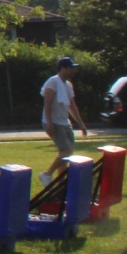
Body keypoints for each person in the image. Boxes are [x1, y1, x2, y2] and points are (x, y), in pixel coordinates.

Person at [39, 56, 86, 185]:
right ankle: (46, 174)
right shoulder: (52, 82)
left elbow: (72, 106)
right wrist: (49, 123)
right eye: (71, 68)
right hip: (53, 122)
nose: (73, 71)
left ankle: (61, 184)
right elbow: (47, 104)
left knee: (66, 155)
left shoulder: (68, 85)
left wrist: (81, 124)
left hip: (64, 122)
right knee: (67, 151)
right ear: (63, 68)